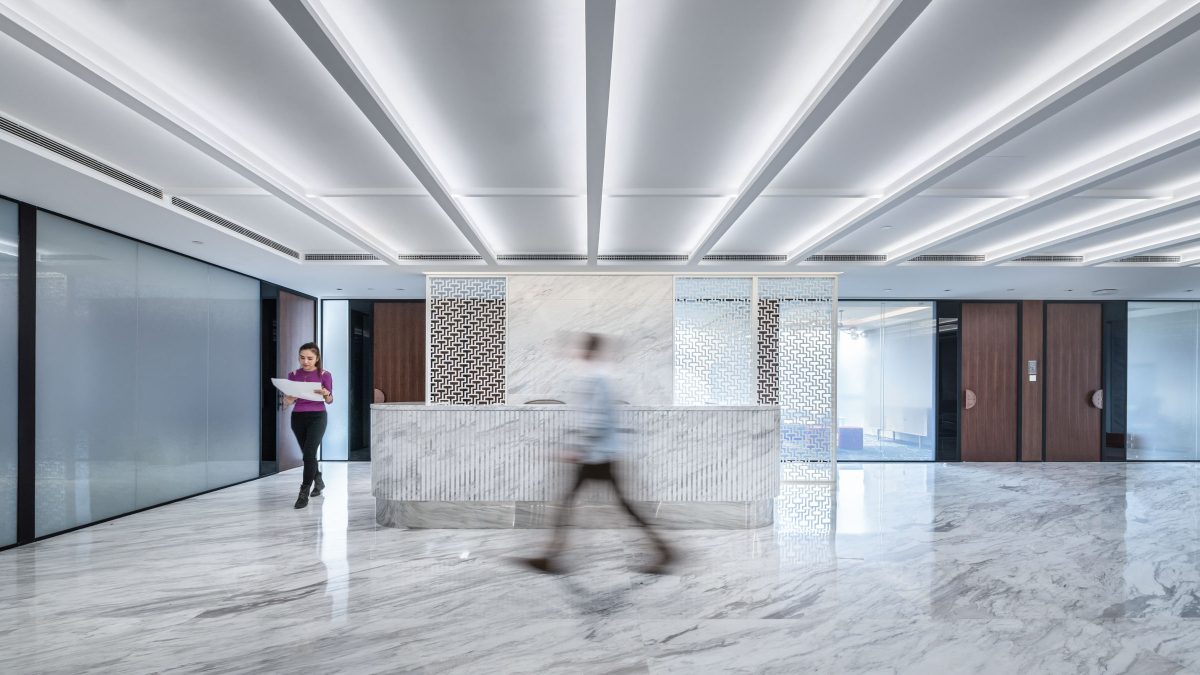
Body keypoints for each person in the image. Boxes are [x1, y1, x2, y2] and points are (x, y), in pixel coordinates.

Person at [522, 333, 674, 575]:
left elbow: (595, 420)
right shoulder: (600, 377)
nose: (578, 353)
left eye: (582, 349)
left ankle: (551, 557)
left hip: (596, 455)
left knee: (576, 503)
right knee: (613, 505)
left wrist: (575, 449)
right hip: (600, 454)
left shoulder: (595, 379)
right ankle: (663, 550)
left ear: (588, 351)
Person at [282, 342, 333, 509]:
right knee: (308, 454)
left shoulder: (325, 374)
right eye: (302, 358)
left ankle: (303, 492)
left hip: (318, 416)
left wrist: (326, 394)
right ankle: (318, 481)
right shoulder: (293, 374)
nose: (305, 361)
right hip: (298, 417)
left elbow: (330, 400)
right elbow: (287, 401)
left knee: (309, 453)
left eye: (310, 358)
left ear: (317, 358)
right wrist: (287, 400)